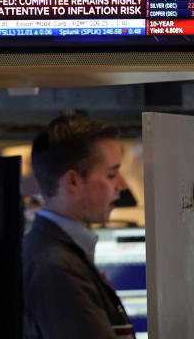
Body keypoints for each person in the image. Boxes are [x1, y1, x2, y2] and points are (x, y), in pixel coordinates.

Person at [23, 115, 132, 339]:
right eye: (111, 174)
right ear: (73, 181)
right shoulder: (56, 266)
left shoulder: (60, 253)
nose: (122, 185)